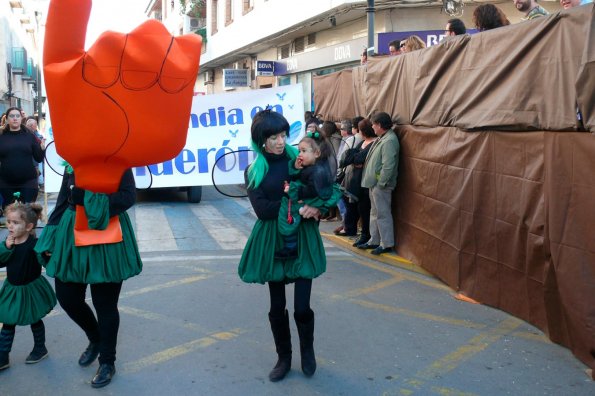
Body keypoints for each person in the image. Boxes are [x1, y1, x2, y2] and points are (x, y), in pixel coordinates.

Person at [238, 110, 333, 382]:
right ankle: (284, 357)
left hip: (302, 238)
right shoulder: (254, 171)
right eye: (273, 137)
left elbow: (325, 189)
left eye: (283, 135)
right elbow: (263, 210)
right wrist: (297, 201)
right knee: (276, 305)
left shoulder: (300, 158)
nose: (281, 142)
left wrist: (317, 209)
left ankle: (308, 351)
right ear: (261, 140)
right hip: (272, 241)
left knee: (302, 307)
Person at [35, 166, 141, 388]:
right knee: (67, 298)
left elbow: (127, 196)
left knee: (106, 305)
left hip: (108, 237)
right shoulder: (73, 158)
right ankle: (95, 337)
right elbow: (64, 200)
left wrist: (88, 199)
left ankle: (107, 362)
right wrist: (50, 237)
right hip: (71, 235)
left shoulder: (119, 160)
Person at [0, 202, 56, 370]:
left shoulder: (35, 245)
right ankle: (3, 356)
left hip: (31, 289)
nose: (10, 226)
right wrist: (6, 247)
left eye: (16, 223)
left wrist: (48, 253)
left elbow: (47, 262)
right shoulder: (8, 243)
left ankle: (40, 348)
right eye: (8, 221)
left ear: (29, 226)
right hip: (12, 289)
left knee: (34, 319)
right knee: (8, 321)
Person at [276, 131, 341, 258]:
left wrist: (296, 191)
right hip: (306, 206)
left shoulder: (318, 171)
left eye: (303, 151)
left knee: (290, 221)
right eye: (299, 150)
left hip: (307, 207)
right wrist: (296, 167)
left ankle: (291, 247)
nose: (299, 154)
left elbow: (313, 190)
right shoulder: (311, 166)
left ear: (317, 153)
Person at [358, 112, 400, 255]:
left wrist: (381, 183)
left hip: (380, 185)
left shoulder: (389, 141)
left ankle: (386, 243)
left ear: (380, 125)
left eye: (374, 124)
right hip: (375, 184)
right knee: (375, 213)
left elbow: (388, 165)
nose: (372, 127)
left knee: (382, 213)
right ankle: (374, 240)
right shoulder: (383, 138)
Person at [0, 108, 45, 208]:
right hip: (6, 183)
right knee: (11, 214)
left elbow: (38, 158)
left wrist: (42, 149)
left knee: (27, 213)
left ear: (21, 118)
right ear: (6, 119)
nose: (15, 118)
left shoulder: (30, 136)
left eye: (17, 116)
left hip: (28, 181)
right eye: (12, 116)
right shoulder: (1, 137)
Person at [342, 118, 377, 246]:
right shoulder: (362, 142)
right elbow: (350, 158)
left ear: (362, 130)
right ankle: (363, 234)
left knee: (366, 210)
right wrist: (355, 159)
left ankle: (366, 235)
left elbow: (357, 158)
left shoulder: (374, 143)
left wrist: (356, 159)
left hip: (366, 182)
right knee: (359, 209)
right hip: (357, 182)